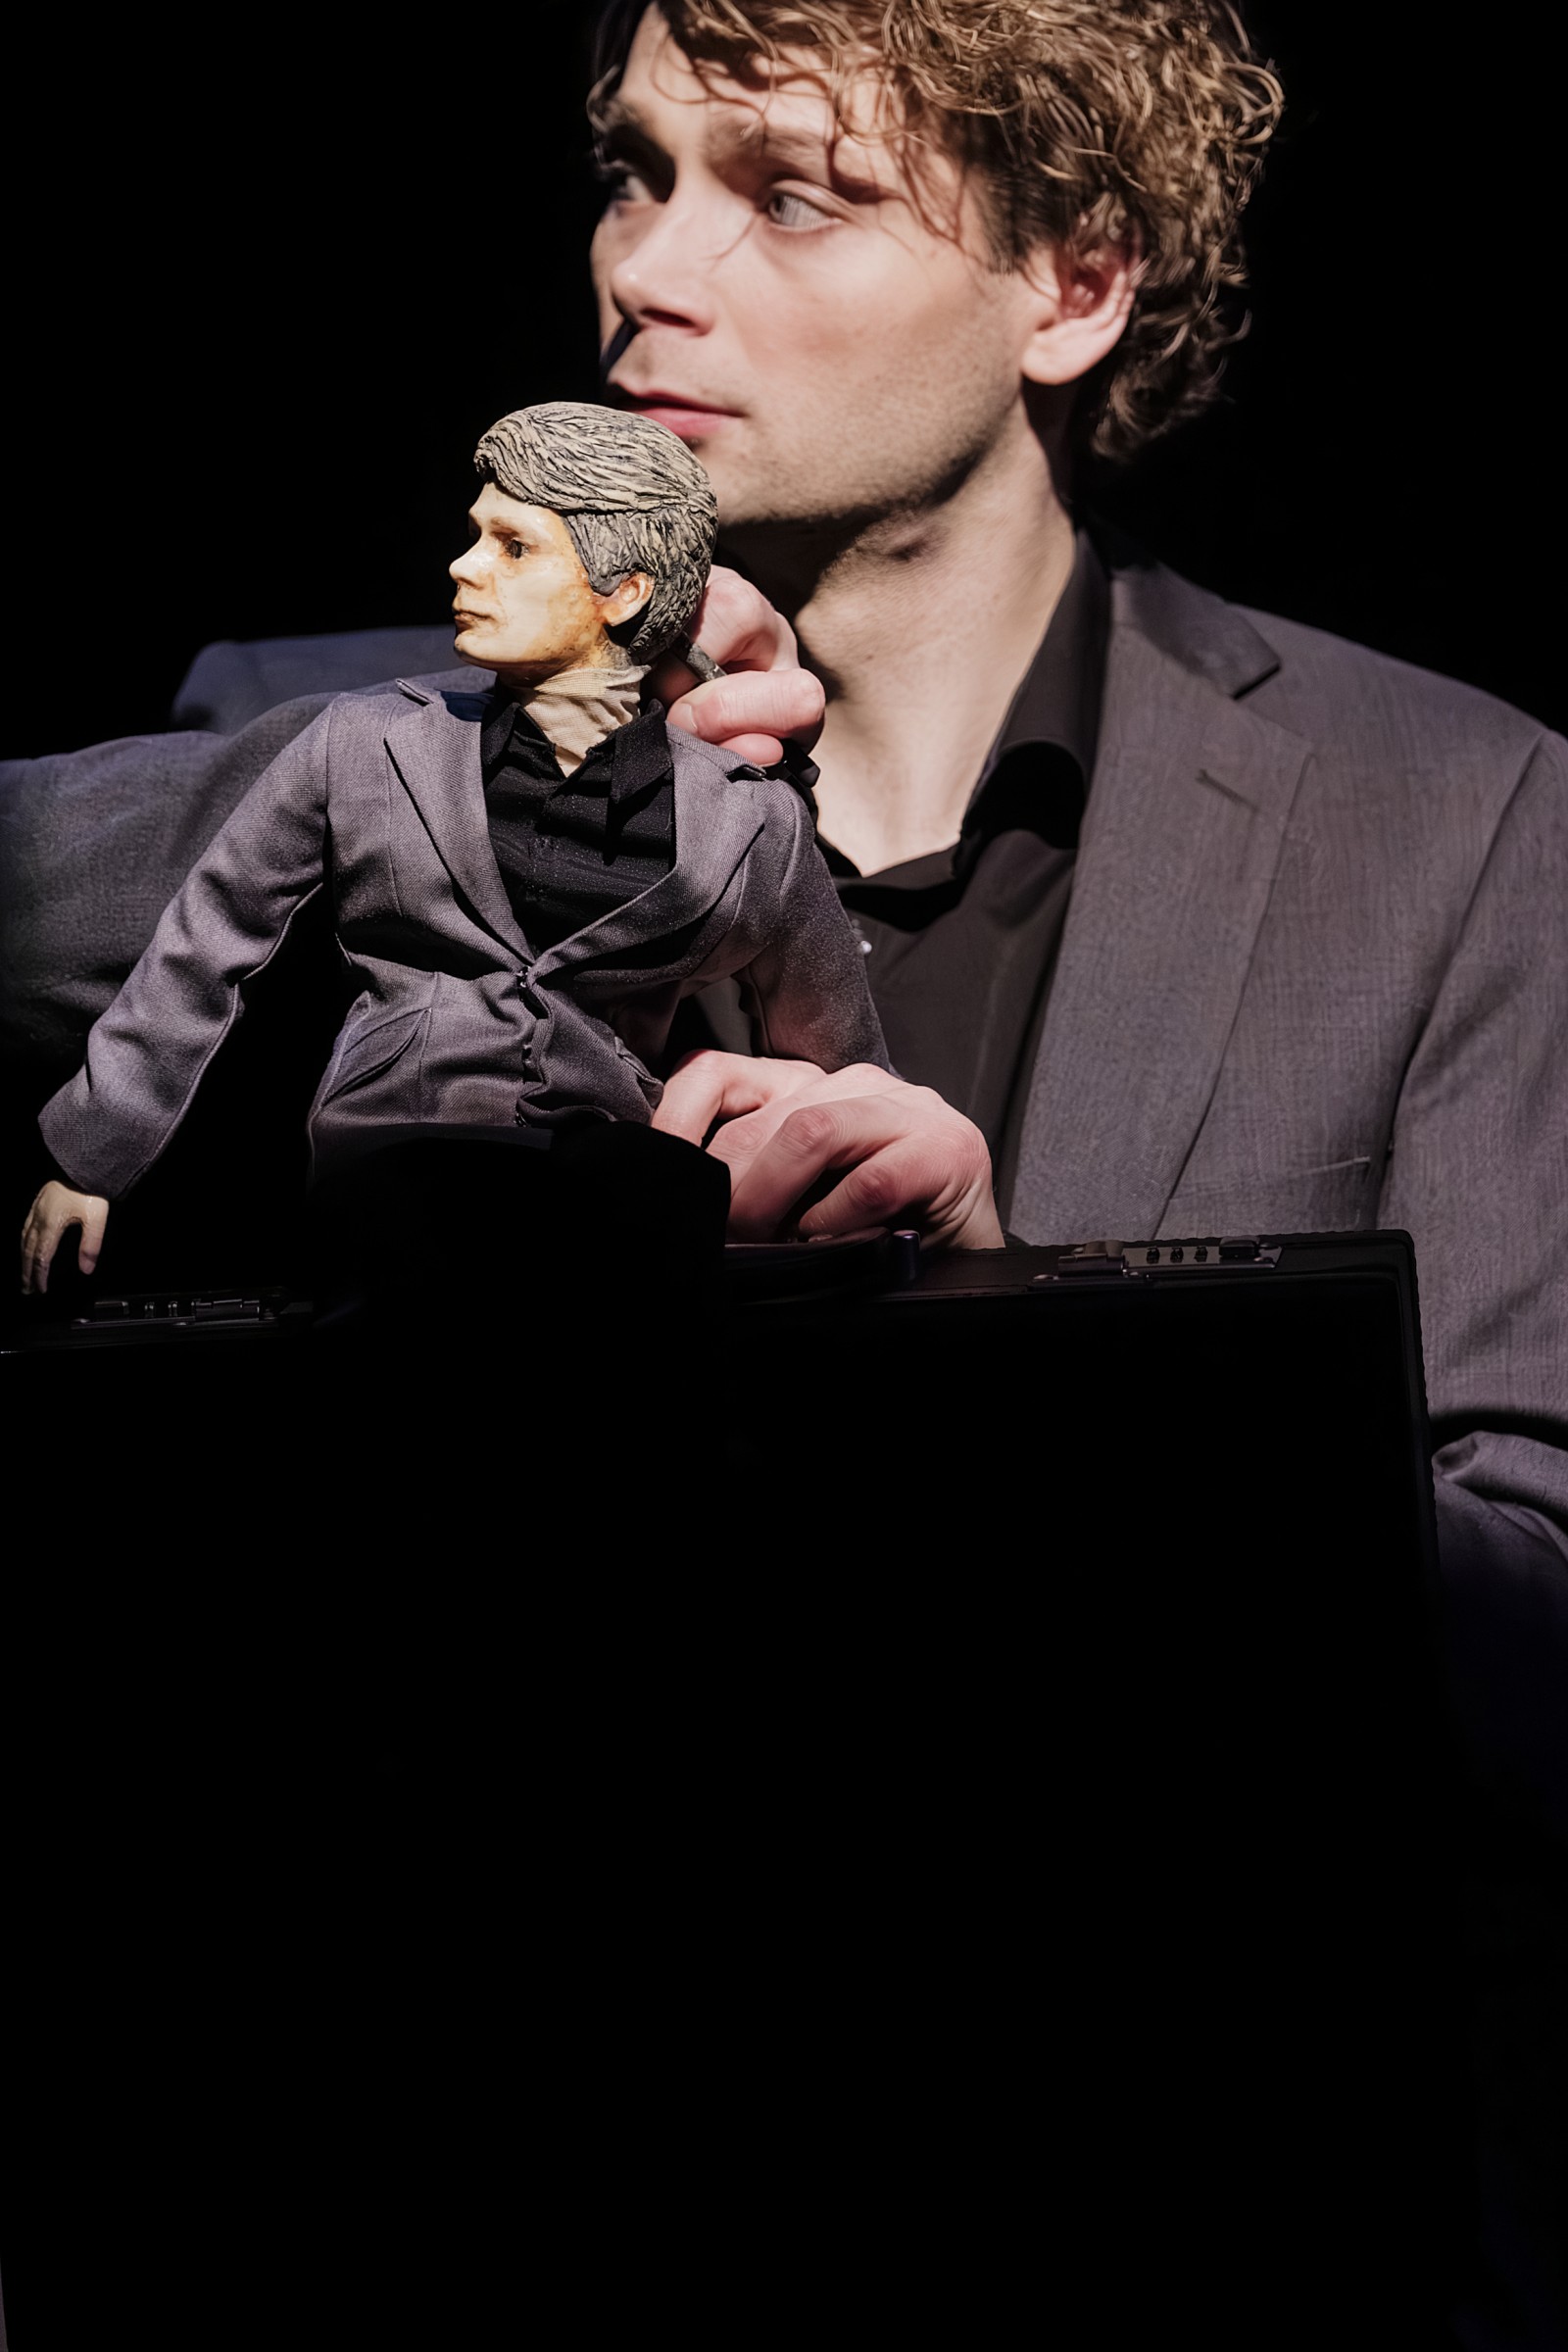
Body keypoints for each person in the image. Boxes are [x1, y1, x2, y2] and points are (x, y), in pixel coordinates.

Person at [17, 399, 916, 1293]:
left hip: (607, 1185)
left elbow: (837, 1055)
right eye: (477, 534)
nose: (464, 564)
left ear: (626, 592)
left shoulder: (745, 814)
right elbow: (209, 938)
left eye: (513, 546)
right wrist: (94, 1154)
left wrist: (886, 1217)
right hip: (397, 1151)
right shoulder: (368, 740)